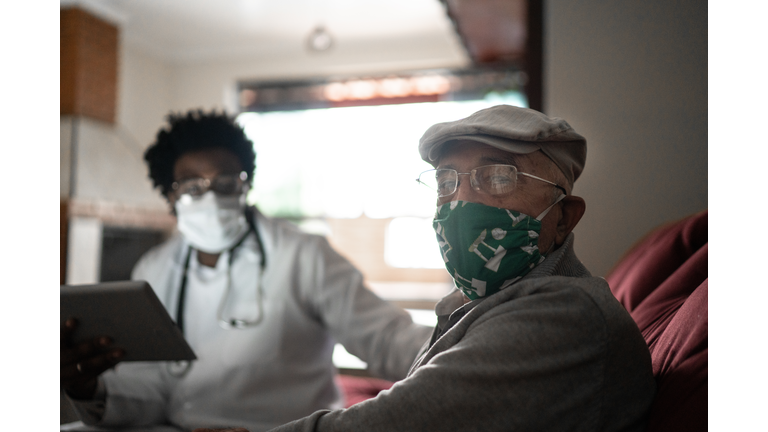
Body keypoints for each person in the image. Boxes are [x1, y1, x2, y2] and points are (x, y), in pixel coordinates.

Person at [250, 105, 656, 431]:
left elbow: (398, 422)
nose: (461, 202)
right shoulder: (488, 302)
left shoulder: (565, 315)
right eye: (446, 182)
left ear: (564, 217)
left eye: (497, 177)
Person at [60, 110, 433, 432]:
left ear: (246, 185)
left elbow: (386, 337)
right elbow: (152, 388)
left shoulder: (304, 255)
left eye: (225, 183)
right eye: (192, 186)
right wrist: (89, 388)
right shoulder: (155, 268)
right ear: (169, 197)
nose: (210, 197)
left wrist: (463, 354)